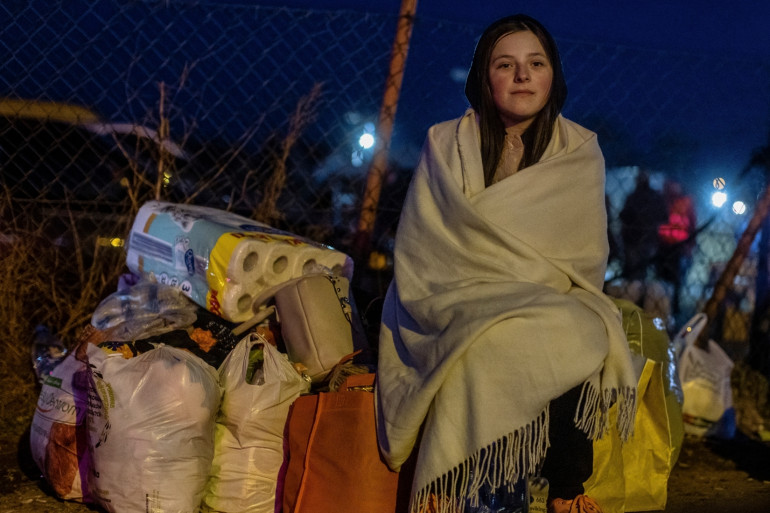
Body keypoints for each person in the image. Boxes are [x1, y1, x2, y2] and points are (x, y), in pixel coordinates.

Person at [374, 14, 637, 513]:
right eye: (506, 64)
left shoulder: (580, 150)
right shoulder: (445, 143)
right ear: (483, 77)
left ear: (552, 75)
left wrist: (526, 288)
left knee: (580, 329)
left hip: (547, 293)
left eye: (535, 63)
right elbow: (427, 245)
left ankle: (565, 489)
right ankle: (456, 485)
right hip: (451, 289)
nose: (522, 75)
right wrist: (501, 292)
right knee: (487, 335)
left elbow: (580, 257)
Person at [619, 170, 668, 283]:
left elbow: (624, 216)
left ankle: (638, 293)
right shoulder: (649, 197)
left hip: (640, 239)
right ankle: (639, 293)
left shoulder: (635, 197)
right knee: (641, 271)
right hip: (643, 239)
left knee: (637, 272)